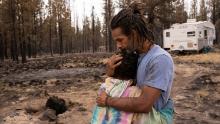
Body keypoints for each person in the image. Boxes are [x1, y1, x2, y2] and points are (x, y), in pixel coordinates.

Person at [96, 2, 174, 124]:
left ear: (134, 33)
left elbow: (144, 104)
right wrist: (111, 74)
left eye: (120, 40)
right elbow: (125, 87)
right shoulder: (135, 56)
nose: (118, 46)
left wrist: (107, 101)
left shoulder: (159, 59)